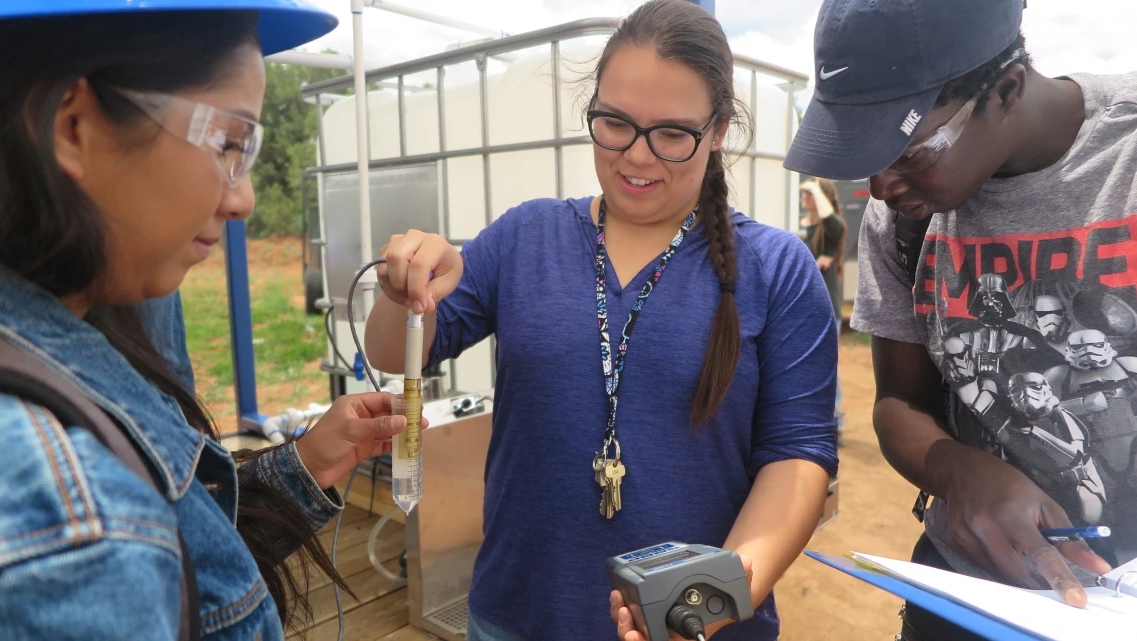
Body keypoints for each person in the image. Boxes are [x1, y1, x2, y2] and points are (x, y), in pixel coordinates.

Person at [364, 1, 839, 639]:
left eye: (672, 134)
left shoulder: (777, 269)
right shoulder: (526, 236)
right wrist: (404, 290)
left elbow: (797, 456)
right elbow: (400, 352)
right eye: (615, 123)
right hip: (519, 615)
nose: (637, 157)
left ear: (719, 129)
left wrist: (708, 600)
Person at [0, 2, 416, 638]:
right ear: (74, 126)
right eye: (228, 142)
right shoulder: (67, 522)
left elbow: (187, 549)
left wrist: (306, 467)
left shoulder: (84, 337)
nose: (243, 198)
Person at [784, 0, 1137, 639]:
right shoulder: (906, 217)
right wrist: (955, 468)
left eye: (907, 150)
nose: (881, 186)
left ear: (1004, 90)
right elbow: (899, 400)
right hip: (967, 594)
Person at [799, 178, 848, 446]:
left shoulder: (830, 230)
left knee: (828, 365)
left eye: (810, 193)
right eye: (805, 192)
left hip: (825, 308)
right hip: (801, 309)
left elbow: (835, 224)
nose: (804, 196)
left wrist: (817, 186)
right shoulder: (804, 229)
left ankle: (835, 424)